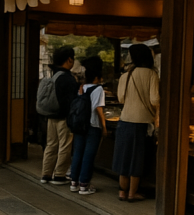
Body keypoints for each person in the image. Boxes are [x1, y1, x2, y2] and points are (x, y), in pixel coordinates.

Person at [112, 43, 159, 202]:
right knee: (137, 158)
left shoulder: (125, 75)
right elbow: (154, 99)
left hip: (124, 121)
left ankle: (121, 192)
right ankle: (132, 193)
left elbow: (121, 99)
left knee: (124, 157)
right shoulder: (151, 74)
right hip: (142, 123)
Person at [39, 45, 79, 185]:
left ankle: (46, 173)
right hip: (64, 117)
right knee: (64, 145)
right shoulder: (68, 78)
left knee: (51, 144)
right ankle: (60, 175)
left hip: (51, 115)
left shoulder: (53, 74)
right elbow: (71, 101)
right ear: (69, 59)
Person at [69, 56, 107, 196]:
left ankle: (74, 182)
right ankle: (84, 185)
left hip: (79, 125)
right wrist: (104, 126)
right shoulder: (98, 89)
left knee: (78, 152)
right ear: (97, 77)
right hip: (92, 126)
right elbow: (98, 109)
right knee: (88, 155)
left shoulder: (82, 87)